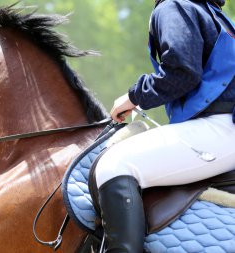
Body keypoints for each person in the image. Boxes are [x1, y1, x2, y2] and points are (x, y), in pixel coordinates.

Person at [95, 0, 235, 252]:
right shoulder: (215, 15)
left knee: (114, 164)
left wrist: (134, 96)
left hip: (221, 128)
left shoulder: (175, 6)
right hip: (223, 128)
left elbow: (182, 72)